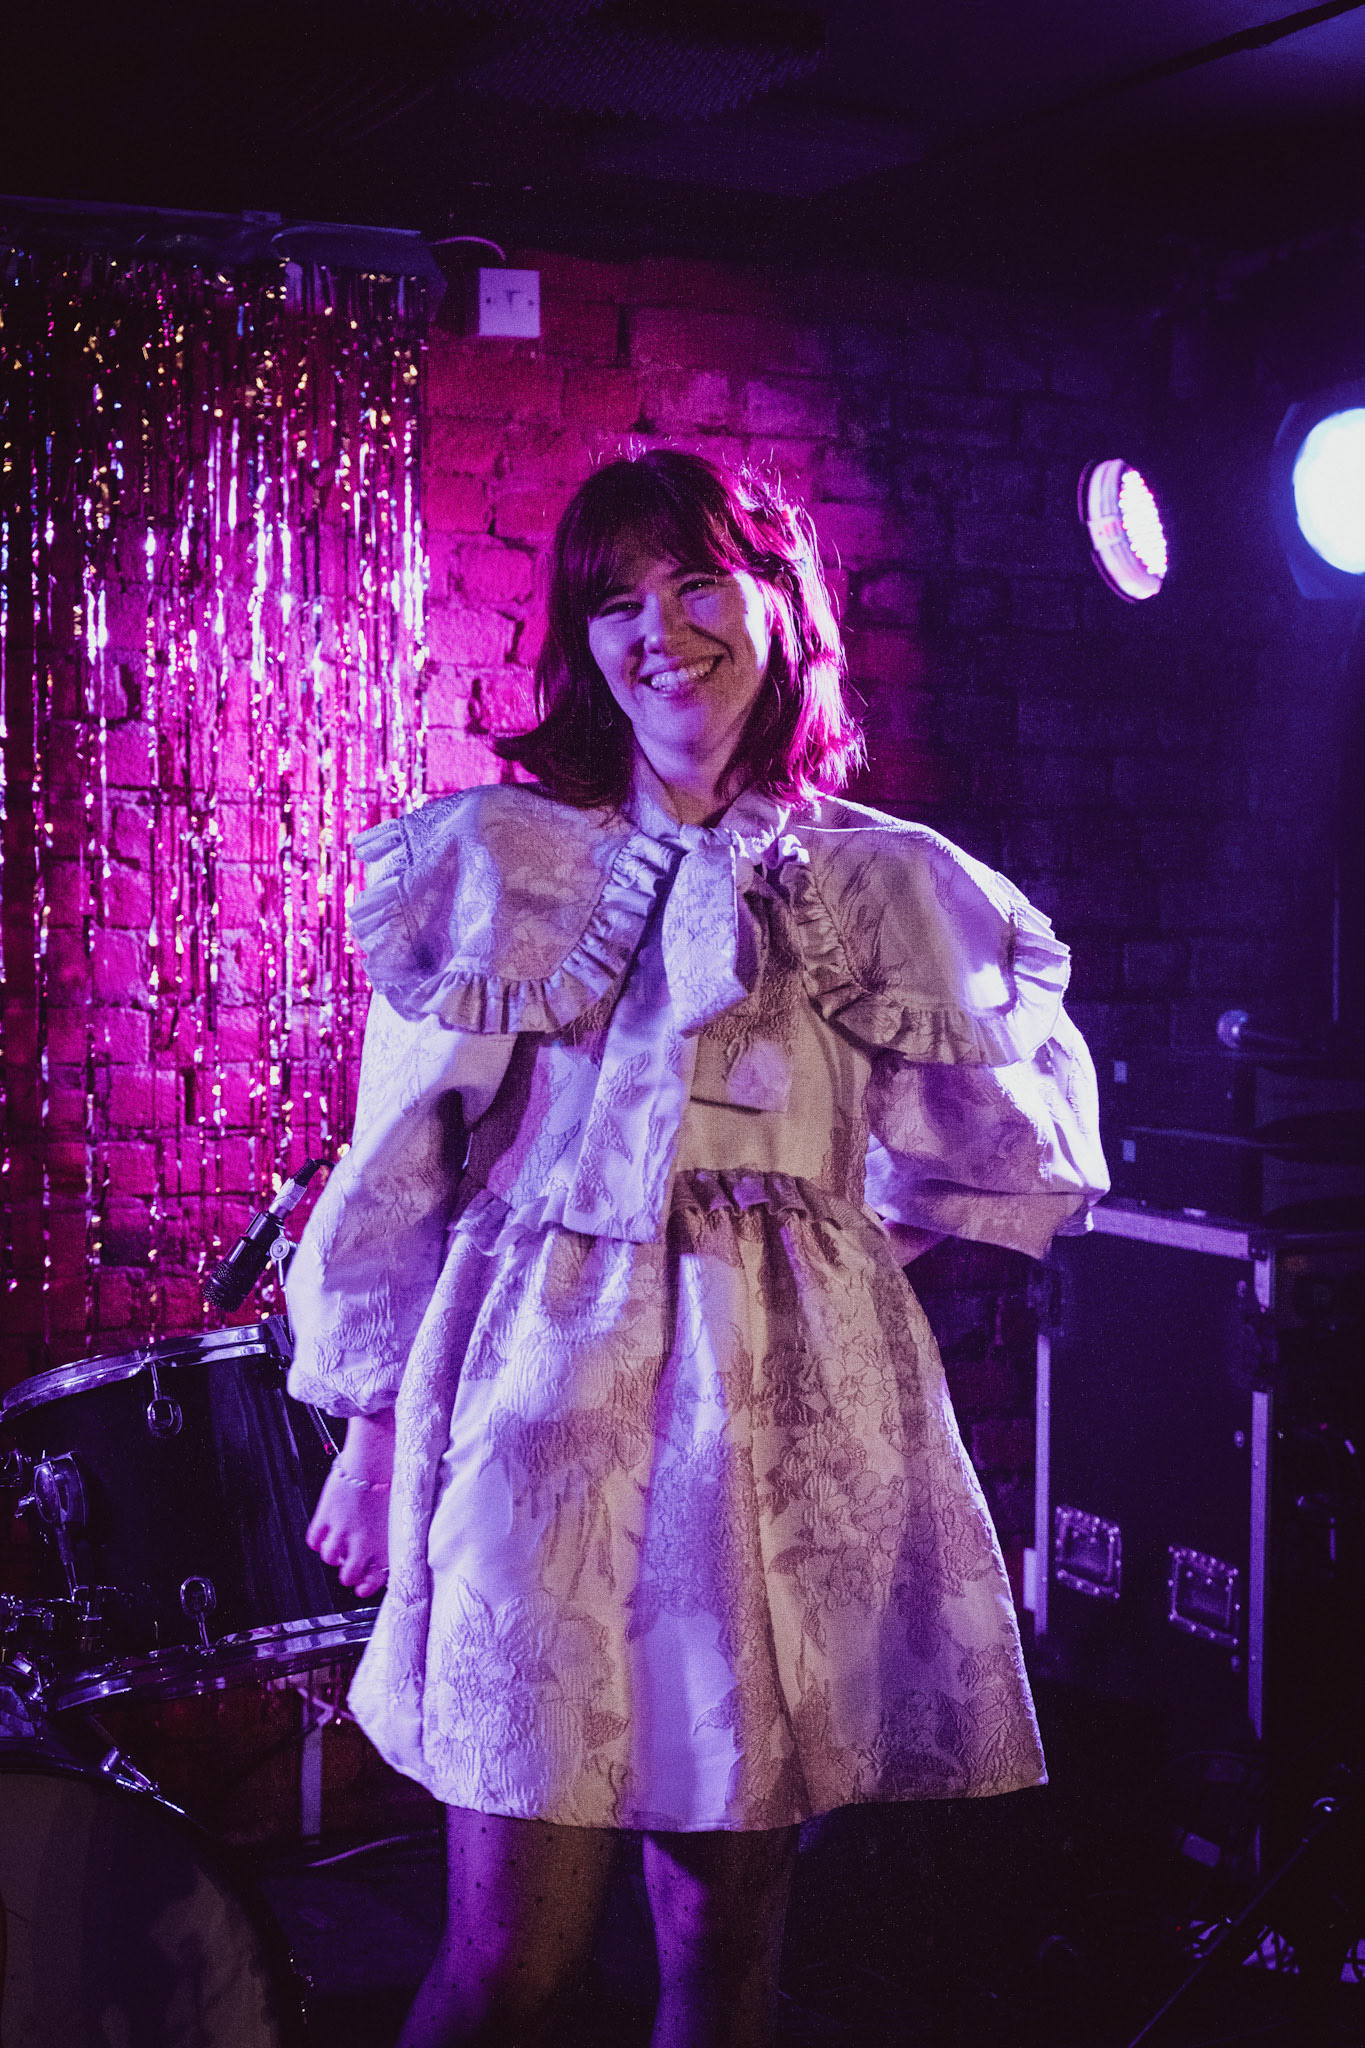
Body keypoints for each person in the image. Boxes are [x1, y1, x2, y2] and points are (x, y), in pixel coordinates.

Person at [287, 448, 1108, 2048]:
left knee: (724, 1950)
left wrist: (805, 1268)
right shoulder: (505, 859)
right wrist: (372, 1436)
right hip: (541, 1425)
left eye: (694, 585)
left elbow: (1007, 1150)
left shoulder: (885, 877)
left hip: (771, 1444)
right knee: (511, 1966)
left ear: (776, 605)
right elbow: (395, 1169)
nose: (656, 632)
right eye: (614, 602)